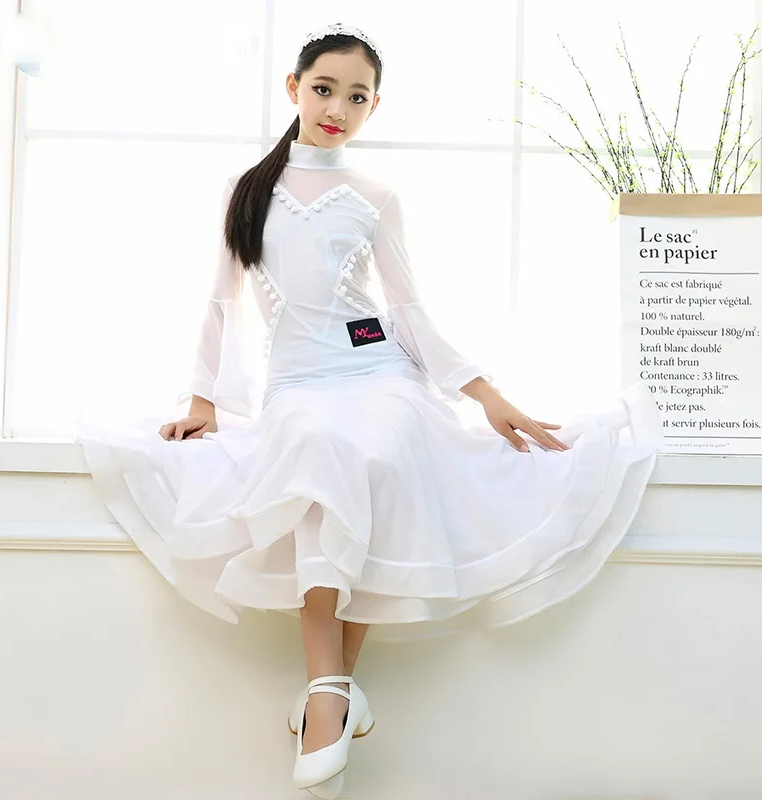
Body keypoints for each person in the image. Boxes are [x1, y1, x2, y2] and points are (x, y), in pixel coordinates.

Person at [75, 21, 663, 799]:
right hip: (298, 384)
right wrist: (205, 399)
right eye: (324, 89)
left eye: (357, 98)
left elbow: (409, 312)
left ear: (373, 107)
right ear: (294, 88)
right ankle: (335, 692)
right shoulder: (246, 191)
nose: (337, 109)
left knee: (378, 452)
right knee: (321, 449)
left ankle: (325, 696)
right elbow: (221, 302)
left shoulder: (377, 198)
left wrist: (486, 395)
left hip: (382, 372)